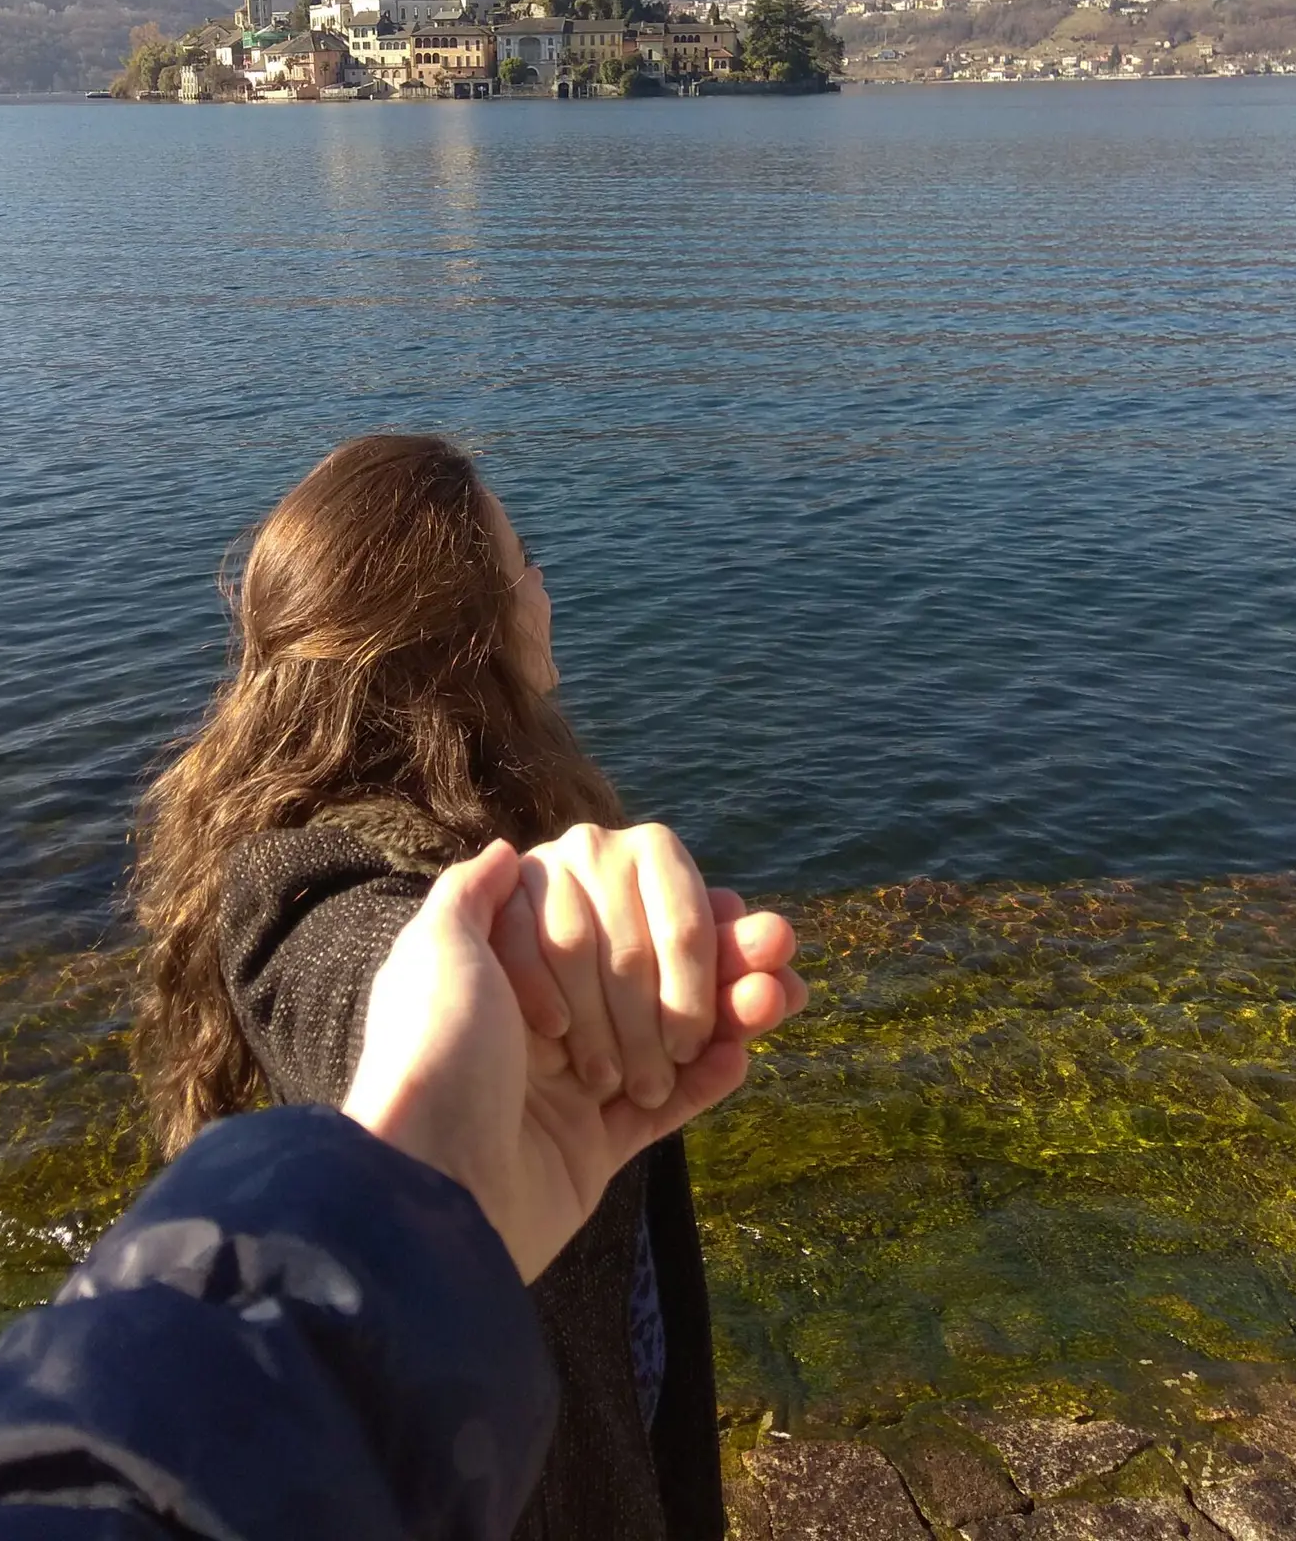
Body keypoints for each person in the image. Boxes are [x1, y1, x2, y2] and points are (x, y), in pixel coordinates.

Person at [133, 434, 807, 1541]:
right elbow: (356, 967)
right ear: (472, 635)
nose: (546, 588)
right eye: (525, 560)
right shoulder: (307, 882)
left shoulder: (405, 822)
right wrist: (506, 968)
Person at [0, 837, 805, 1539]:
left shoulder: (241, 841)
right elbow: (341, 950)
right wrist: (432, 1119)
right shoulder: (319, 890)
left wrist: (437, 1169)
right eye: (533, 589)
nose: (551, 610)